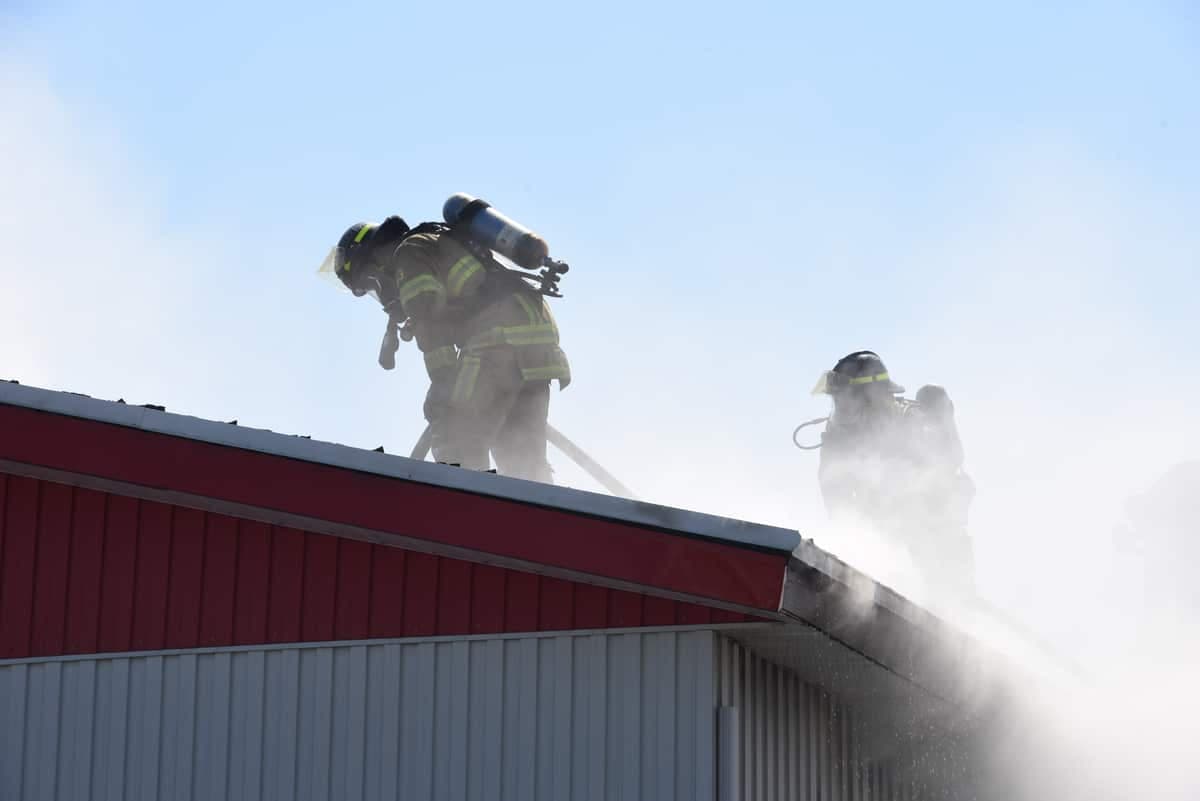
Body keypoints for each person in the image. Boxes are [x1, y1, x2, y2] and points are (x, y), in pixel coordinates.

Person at [322, 215, 570, 482]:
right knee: (521, 456)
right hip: (539, 347)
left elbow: (429, 321)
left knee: (453, 432)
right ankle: (533, 513)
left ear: (372, 264)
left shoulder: (408, 254)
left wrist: (444, 387)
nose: (379, 293)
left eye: (370, 284)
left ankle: (468, 511)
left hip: (497, 341)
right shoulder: (434, 241)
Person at [812, 350, 975, 589]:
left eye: (845, 400)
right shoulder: (837, 440)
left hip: (934, 535)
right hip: (884, 541)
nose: (841, 407)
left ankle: (954, 590)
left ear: (872, 396)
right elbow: (837, 506)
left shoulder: (913, 423)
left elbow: (947, 466)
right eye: (837, 400)